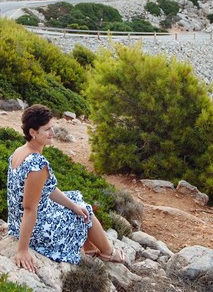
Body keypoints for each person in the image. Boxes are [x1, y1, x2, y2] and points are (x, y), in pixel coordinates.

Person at [7, 104, 127, 272]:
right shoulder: (36, 164)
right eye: (47, 129)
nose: (53, 133)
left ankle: (91, 249)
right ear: (33, 132)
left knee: (75, 201)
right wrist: (22, 250)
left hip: (17, 221)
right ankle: (108, 252)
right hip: (35, 229)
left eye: (52, 127)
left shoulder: (19, 151)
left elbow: (46, 190)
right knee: (87, 212)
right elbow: (29, 209)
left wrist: (72, 206)